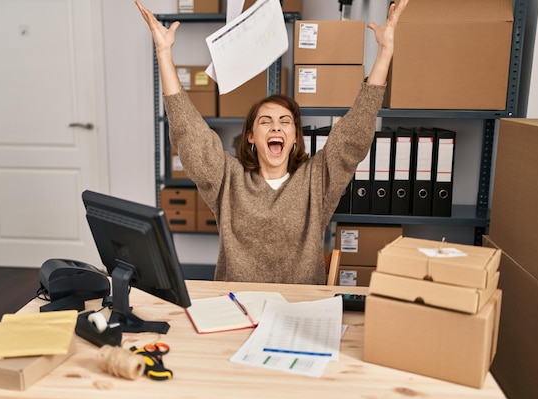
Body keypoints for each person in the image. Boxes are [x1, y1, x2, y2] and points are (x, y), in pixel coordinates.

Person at [134, 0, 409, 285]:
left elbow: (353, 135)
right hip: (237, 307)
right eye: (265, 121)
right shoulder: (228, 180)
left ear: (294, 138)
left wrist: (385, 52)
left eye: (285, 122)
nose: (276, 126)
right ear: (251, 136)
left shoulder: (316, 181)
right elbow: (190, 135)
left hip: (299, 309)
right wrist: (164, 53)